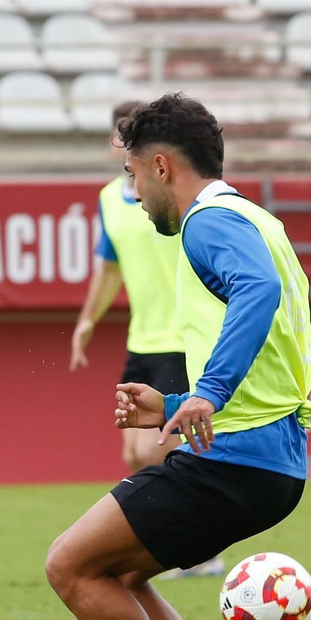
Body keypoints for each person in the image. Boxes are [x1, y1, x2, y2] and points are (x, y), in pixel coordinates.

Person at [43, 94, 311, 620]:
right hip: (264, 457)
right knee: (119, 575)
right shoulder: (257, 218)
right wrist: (171, 405)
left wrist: (208, 392)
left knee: (70, 566)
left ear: (163, 166)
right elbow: (273, 335)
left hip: (238, 459)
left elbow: (255, 291)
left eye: (135, 176)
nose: (134, 196)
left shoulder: (206, 223)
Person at [69, 101, 187, 477]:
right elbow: (108, 267)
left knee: (155, 451)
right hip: (142, 340)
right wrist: (88, 319)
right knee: (134, 455)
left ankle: (183, 529)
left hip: (181, 338)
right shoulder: (108, 198)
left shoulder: (174, 193)